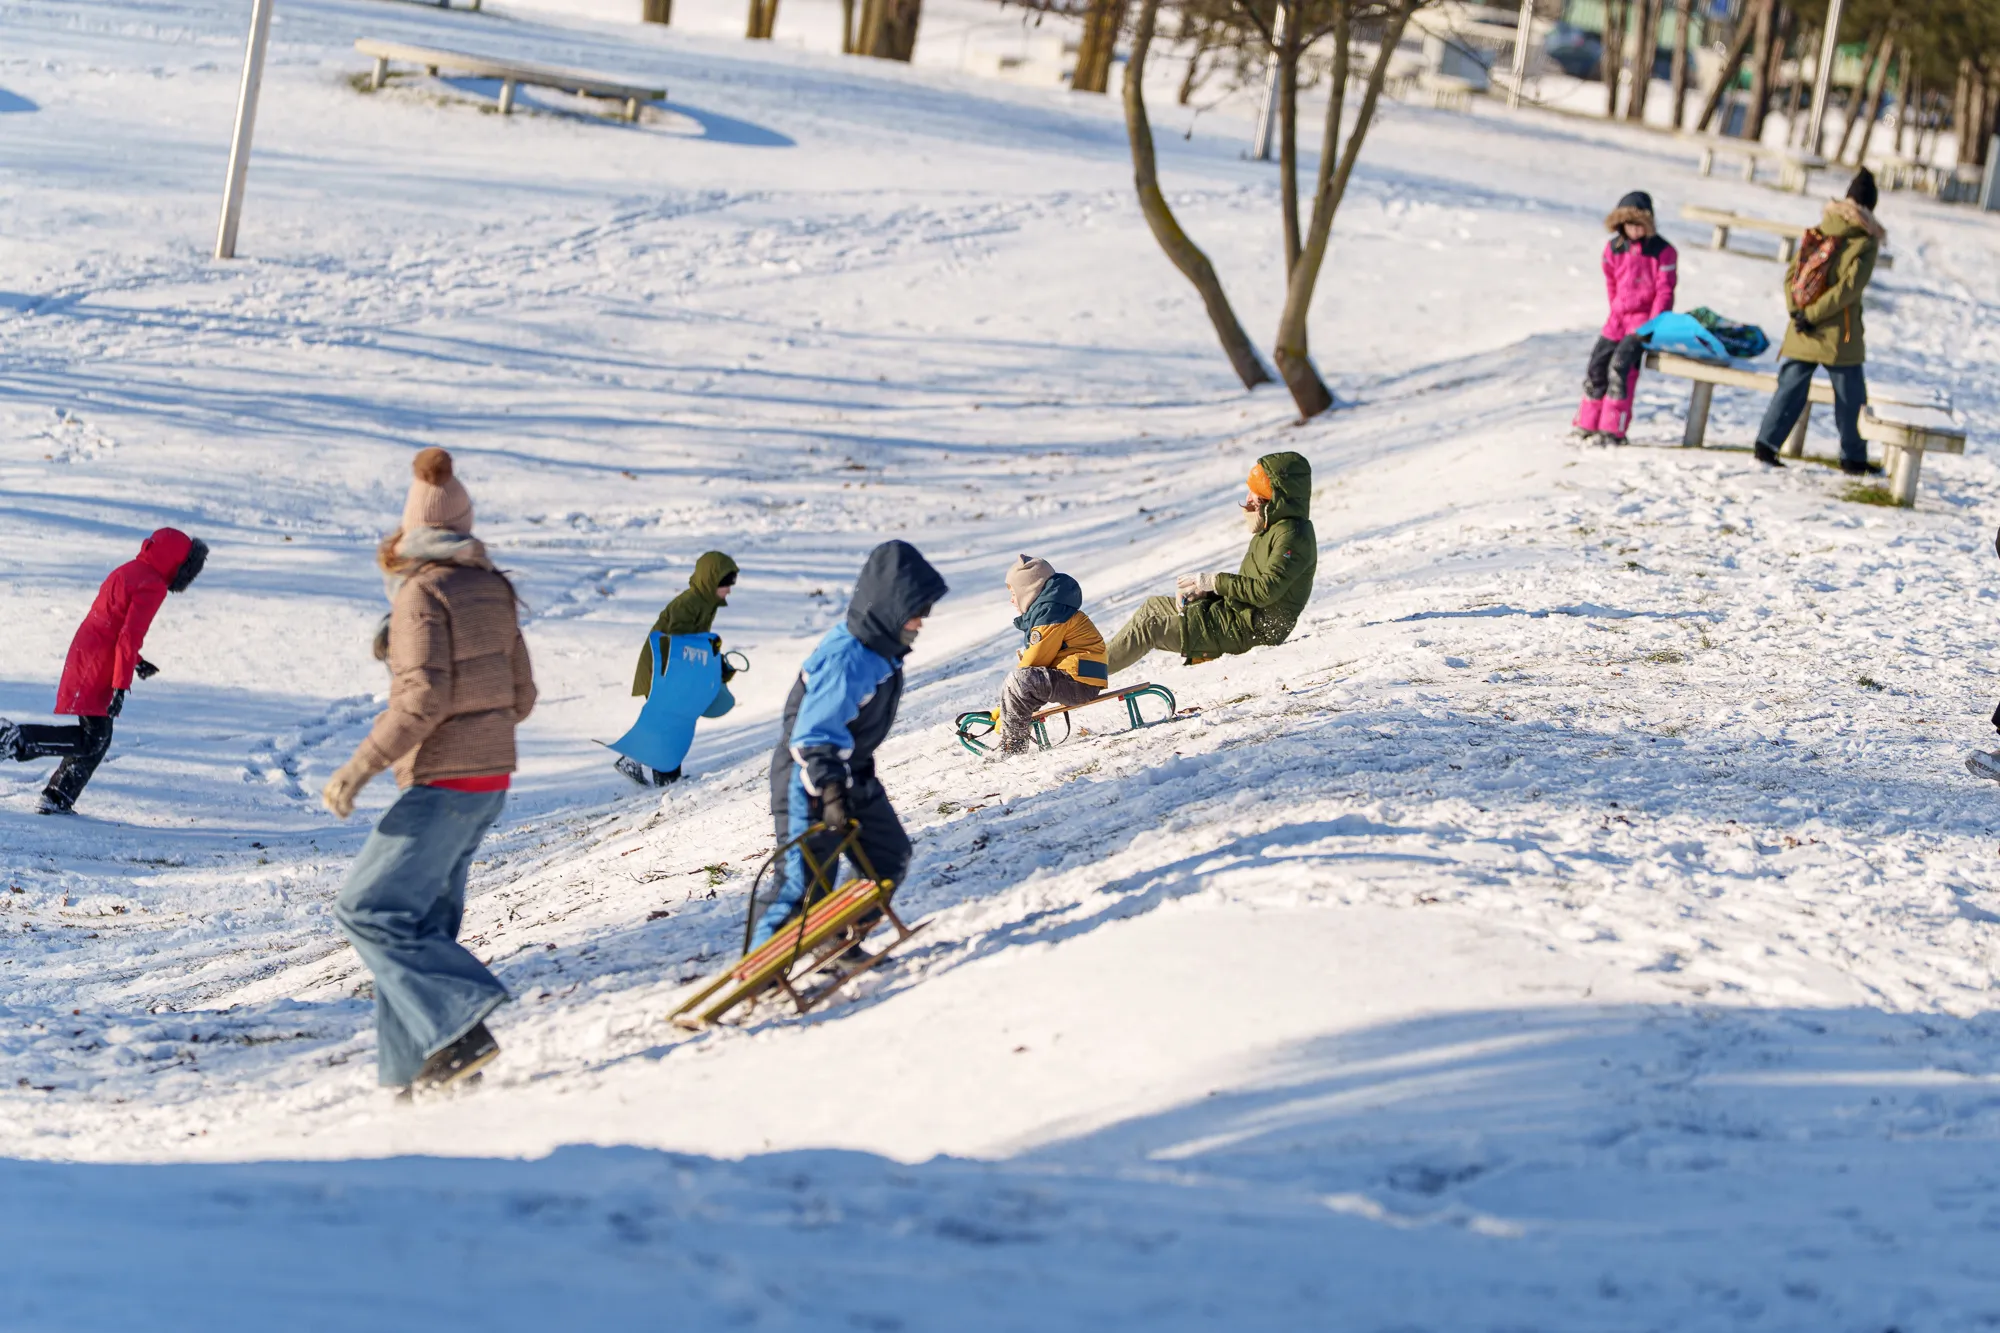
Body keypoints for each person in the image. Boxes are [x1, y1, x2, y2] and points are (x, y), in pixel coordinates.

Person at [320, 448, 537, 1097]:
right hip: (490, 781)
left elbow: (422, 701)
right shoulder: (494, 587)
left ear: (411, 532)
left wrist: (358, 769)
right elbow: (521, 696)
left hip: (442, 782)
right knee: (418, 923)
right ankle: (418, 1072)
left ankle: (461, 1018)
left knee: (365, 907)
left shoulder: (421, 593)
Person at [753, 540, 946, 950]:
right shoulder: (850, 657)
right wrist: (829, 790)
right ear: (890, 606)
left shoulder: (881, 651)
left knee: (887, 858)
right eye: (916, 611)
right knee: (802, 886)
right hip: (809, 781)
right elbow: (812, 734)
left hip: (850, 775)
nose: (921, 622)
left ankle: (838, 941)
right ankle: (758, 974)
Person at [0, 528, 208, 815]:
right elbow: (128, 637)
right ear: (178, 565)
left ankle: (58, 795)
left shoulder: (130, 569)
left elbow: (115, 623)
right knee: (93, 738)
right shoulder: (153, 585)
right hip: (100, 662)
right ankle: (16, 739)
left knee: (98, 737)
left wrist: (135, 661)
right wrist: (121, 687)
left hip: (89, 651)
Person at [1105, 453, 1316, 676]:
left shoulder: (1293, 535)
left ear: (1278, 495)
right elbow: (1250, 590)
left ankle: (1084, 677)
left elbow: (1265, 592)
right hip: (1237, 617)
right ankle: (1088, 665)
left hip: (1251, 631)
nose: (1249, 498)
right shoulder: (1270, 530)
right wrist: (1206, 594)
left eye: (1258, 491)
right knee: (1153, 606)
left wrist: (1214, 581)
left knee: (1150, 628)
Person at [1751, 169, 1885, 472]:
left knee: (1790, 387)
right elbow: (1849, 290)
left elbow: (1792, 275)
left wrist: (1797, 313)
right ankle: (1854, 458)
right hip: (1840, 333)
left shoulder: (1819, 230)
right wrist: (1811, 316)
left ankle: (1766, 444)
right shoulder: (1865, 242)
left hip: (1802, 327)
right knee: (1851, 396)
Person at [617, 551, 740, 787]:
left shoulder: (705, 604)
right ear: (711, 580)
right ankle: (665, 776)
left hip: (672, 669)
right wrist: (706, 645)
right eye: (726, 583)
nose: (730, 589)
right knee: (670, 720)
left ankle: (638, 762)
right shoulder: (690, 603)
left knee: (669, 720)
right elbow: (677, 639)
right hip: (660, 668)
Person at [1572, 190, 1678, 446]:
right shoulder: (1614, 249)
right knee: (1597, 366)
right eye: (1629, 224)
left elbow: (1665, 291)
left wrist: (1653, 326)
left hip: (1642, 322)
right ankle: (1587, 422)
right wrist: (1615, 307)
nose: (1634, 230)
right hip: (1617, 319)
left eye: (1639, 225)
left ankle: (1613, 428)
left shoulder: (1663, 252)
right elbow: (1611, 281)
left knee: (1621, 368)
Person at [993, 555, 1107, 755]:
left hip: (1080, 681)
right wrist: (1007, 705)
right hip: (1078, 678)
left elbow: (1036, 658)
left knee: (1021, 680)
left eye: (1014, 593)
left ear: (1028, 590)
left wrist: (1006, 708)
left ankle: (1013, 745)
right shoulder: (1051, 610)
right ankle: (1013, 734)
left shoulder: (1052, 614)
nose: (1012, 600)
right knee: (1023, 681)